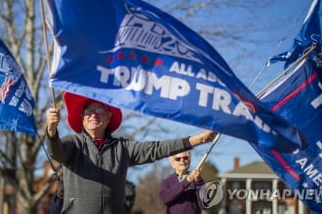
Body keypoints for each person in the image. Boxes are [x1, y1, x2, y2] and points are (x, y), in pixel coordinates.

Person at [46, 92, 217, 214]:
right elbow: (56, 152)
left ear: (108, 116)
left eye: (98, 110)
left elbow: (156, 149)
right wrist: (52, 131)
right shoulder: (72, 144)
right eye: (88, 111)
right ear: (81, 117)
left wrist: (197, 140)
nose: (93, 115)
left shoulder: (123, 147)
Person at [49, 178, 136, 214]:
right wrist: (60, 195)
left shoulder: (123, 184)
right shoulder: (72, 182)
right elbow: (55, 211)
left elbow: (129, 192)